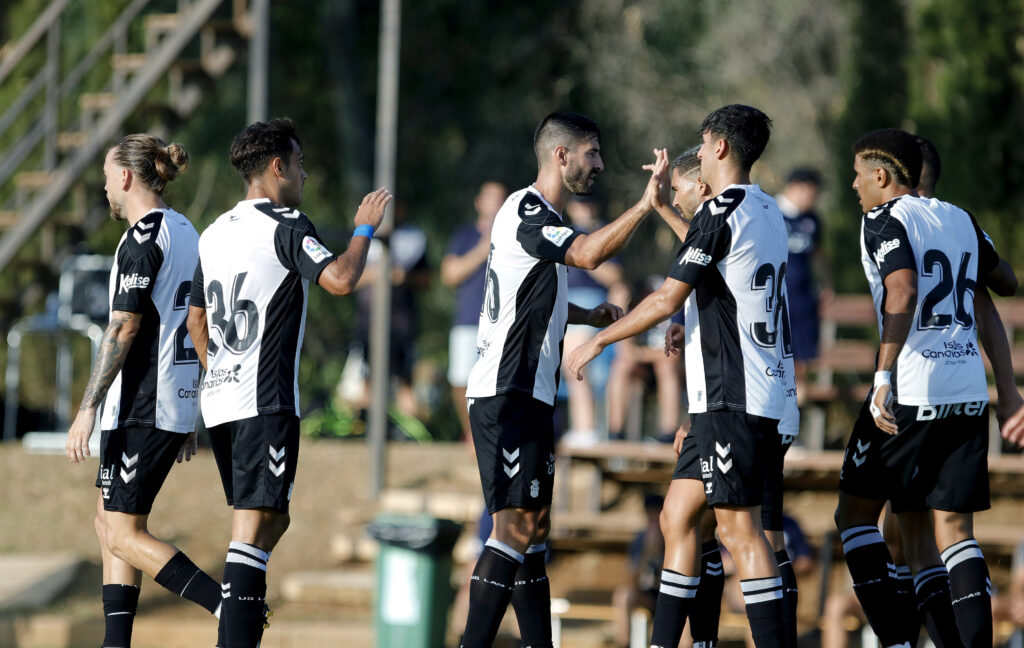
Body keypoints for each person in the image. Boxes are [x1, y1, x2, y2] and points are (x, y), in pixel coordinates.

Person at [569, 104, 795, 648]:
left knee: (743, 533)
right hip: (752, 392)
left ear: (718, 146)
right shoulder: (765, 209)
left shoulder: (721, 212)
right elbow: (719, 278)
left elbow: (672, 292)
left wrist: (600, 337)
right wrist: (666, 210)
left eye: (702, 139)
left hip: (733, 397)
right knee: (677, 516)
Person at [460, 110, 669, 648]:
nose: (598, 164)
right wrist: (647, 204)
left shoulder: (539, 217)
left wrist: (587, 316)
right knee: (513, 528)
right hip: (506, 394)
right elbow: (591, 254)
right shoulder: (529, 209)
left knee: (534, 530)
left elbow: (531, 297)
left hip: (527, 394)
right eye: (592, 153)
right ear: (561, 154)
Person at [186, 118, 391, 647]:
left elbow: (195, 321)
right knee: (252, 534)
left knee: (268, 522)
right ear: (277, 167)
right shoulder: (286, 224)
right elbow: (342, 280)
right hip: (264, 402)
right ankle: (238, 624)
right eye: (299, 163)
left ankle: (244, 610)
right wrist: (363, 229)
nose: (304, 173)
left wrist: (219, 375)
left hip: (224, 403)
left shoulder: (213, 231)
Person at [834, 128, 1017, 648]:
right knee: (945, 534)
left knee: (854, 516)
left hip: (912, 391)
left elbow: (904, 288)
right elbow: (1002, 285)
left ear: (881, 176)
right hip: (966, 392)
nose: (852, 185)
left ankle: (895, 641)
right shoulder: (960, 219)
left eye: (857, 174)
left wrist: (882, 376)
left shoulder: (883, 218)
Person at [64, 134, 221, 648]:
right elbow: (195, 322)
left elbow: (123, 328)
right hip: (167, 403)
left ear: (126, 178)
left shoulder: (142, 238)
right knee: (108, 521)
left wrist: (87, 407)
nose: (105, 188)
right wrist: (191, 411)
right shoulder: (187, 231)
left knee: (123, 532)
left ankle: (230, 605)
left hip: (139, 404)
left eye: (108, 177)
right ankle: (117, 641)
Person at [442, 181, 508, 441]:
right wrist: (482, 250)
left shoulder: (514, 236)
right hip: (468, 320)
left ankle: (490, 433)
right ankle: (471, 433)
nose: (494, 204)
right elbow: (449, 274)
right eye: (490, 198)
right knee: (460, 381)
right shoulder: (463, 235)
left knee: (498, 384)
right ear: (478, 202)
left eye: (500, 199)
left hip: (502, 322)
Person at [561, 197, 624, 444]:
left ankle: (586, 428)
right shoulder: (564, 234)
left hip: (595, 307)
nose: (581, 210)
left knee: (575, 358)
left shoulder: (604, 235)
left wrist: (586, 255)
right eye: (576, 205)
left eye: (586, 205)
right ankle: (580, 427)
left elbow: (616, 277)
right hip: (565, 305)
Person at [775, 168, 832, 406]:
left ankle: (792, 429)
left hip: (803, 302)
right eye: (811, 191)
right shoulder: (771, 212)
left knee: (800, 366)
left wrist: (828, 285)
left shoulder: (813, 220)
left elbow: (819, 255)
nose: (814, 197)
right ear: (796, 187)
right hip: (774, 301)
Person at [612, 493, 665, 648]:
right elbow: (631, 578)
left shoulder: (674, 537)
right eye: (650, 513)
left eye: (657, 512)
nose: (653, 518)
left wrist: (662, 547)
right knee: (623, 596)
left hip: (670, 593)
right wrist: (647, 553)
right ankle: (624, 643)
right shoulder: (641, 538)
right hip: (648, 594)